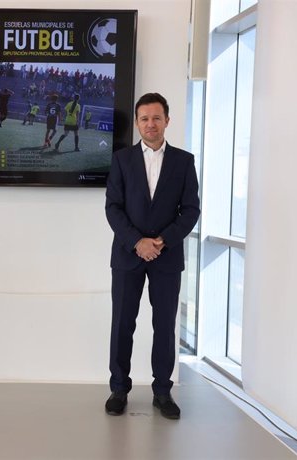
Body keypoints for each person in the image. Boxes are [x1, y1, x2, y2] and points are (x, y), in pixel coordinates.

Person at [104, 93, 200, 420]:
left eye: (156, 118)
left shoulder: (184, 162)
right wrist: (137, 242)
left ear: (167, 121)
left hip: (166, 256)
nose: (150, 124)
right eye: (144, 118)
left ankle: (162, 392)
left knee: (164, 326)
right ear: (137, 122)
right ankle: (119, 388)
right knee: (122, 324)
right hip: (128, 255)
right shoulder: (121, 160)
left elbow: (190, 211)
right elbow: (113, 209)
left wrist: (160, 241)